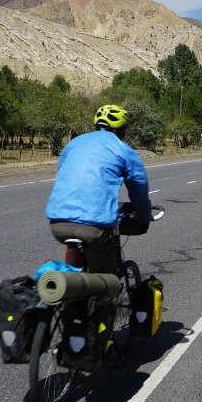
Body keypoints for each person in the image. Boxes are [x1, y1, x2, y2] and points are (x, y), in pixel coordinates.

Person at [45, 104, 152, 275]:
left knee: (73, 276)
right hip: (94, 226)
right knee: (107, 283)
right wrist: (144, 216)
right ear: (122, 131)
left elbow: (65, 175)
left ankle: (69, 286)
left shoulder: (73, 144)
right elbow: (139, 189)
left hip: (58, 223)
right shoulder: (123, 149)